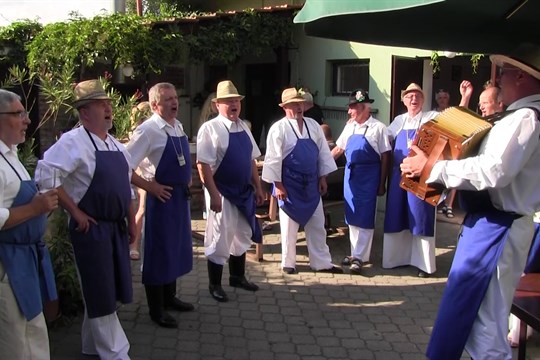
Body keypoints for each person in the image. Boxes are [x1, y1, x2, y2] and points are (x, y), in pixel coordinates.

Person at [400, 44, 540, 360]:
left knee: (487, 325)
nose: (499, 80)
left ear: (520, 75)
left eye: (503, 73)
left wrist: (431, 168)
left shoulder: (526, 117)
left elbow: (494, 171)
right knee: (478, 322)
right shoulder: (521, 115)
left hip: (499, 227)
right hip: (493, 224)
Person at [36, 80, 134, 358]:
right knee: (100, 289)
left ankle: (91, 348)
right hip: (90, 229)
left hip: (115, 228)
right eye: (100, 105)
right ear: (84, 112)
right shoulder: (72, 142)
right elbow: (46, 176)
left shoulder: (116, 145)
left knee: (106, 288)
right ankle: (117, 353)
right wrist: (74, 211)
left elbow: (126, 186)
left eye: (108, 104)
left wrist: (132, 221)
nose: (108, 109)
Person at [127, 82, 194, 328]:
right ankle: (156, 309)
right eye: (167, 99)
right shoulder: (148, 131)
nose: (174, 102)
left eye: (175, 97)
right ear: (155, 105)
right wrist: (150, 187)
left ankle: (169, 298)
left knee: (174, 248)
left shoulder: (177, 126)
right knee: (157, 252)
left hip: (179, 198)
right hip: (161, 199)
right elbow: (125, 164)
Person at [0, 89, 58, 359]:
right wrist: (35, 208)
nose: (27, 120)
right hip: (7, 267)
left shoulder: (11, 155)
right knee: (16, 343)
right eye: (19, 114)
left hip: (27, 261)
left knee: (35, 335)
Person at [196, 80, 264, 302]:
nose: (234, 105)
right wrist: (214, 194)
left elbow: (251, 159)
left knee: (242, 233)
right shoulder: (210, 128)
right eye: (228, 101)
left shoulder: (244, 126)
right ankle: (214, 284)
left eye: (236, 101)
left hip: (244, 192)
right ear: (217, 105)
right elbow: (203, 164)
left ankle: (237, 276)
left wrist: (259, 186)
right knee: (219, 236)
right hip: (222, 191)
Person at [262, 87, 342, 275]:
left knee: (317, 224)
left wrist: (323, 177)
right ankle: (288, 263)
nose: (298, 108)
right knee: (289, 227)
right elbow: (273, 158)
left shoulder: (313, 125)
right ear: (285, 107)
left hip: (312, 184)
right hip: (289, 185)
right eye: (293, 104)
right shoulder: (278, 129)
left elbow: (323, 153)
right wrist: (278, 185)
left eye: (300, 104)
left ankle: (321, 262)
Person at [331, 89, 391, 274]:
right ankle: (356, 253)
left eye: (352, 108)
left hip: (369, 176)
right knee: (352, 215)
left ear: (364, 108)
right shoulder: (349, 126)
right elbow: (339, 149)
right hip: (351, 176)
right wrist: (322, 165)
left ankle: (359, 256)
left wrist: (382, 183)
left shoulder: (379, 128)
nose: (349, 112)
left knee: (365, 216)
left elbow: (386, 156)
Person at [383, 83, 439, 278]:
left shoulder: (431, 118)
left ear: (423, 100)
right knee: (397, 215)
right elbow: (384, 136)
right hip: (399, 175)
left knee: (421, 217)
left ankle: (423, 264)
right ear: (404, 100)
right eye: (409, 96)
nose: (413, 99)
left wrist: (464, 98)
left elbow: (448, 131)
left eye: (417, 96)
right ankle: (396, 259)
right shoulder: (399, 120)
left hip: (421, 176)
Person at [129, 101, 153, 261]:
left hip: (147, 172)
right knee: (142, 208)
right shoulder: (141, 131)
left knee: (144, 209)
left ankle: (136, 244)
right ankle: (134, 245)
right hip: (144, 173)